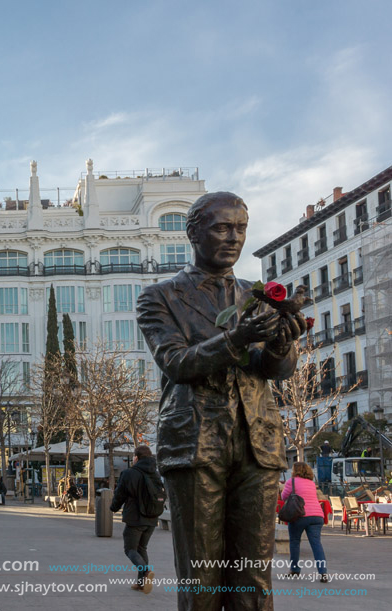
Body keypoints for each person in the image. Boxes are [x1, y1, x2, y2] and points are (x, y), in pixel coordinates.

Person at [136, 192, 305, 610]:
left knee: (254, 579)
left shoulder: (259, 294)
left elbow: (275, 370)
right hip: (195, 444)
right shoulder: (159, 297)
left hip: (257, 445)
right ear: (193, 233)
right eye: (221, 227)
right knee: (201, 579)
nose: (233, 237)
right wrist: (237, 338)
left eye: (241, 228)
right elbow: (175, 363)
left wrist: (284, 344)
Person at [110, 446, 164, 594]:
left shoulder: (129, 473)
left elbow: (120, 494)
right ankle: (141, 583)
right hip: (152, 518)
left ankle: (146, 572)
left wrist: (113, 508)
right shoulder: (156, 474)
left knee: (130, 549)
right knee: (142, 549)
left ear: (136, 457)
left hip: (135, 518)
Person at [281, 462, 328, 582]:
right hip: (317, 516)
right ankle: (323, 573)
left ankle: (295, 569)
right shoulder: (311, 483)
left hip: (300, 515)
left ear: (295, 471)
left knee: (295, 542)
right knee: (316, 544)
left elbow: (284, 496)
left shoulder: (291, 481)